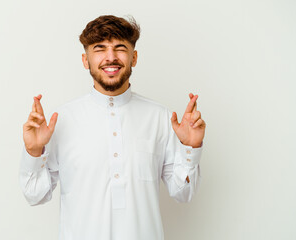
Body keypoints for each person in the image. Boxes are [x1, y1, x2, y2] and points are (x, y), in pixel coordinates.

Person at [20, 15, 206, 240]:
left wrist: (191, 148)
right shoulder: (61, 121)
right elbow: (34, 195)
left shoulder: (161, 118)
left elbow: (183, 193)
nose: (111, 57)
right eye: (99, 49)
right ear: (85, 60)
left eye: (120, 48)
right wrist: (33, 152)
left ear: (134, 57)